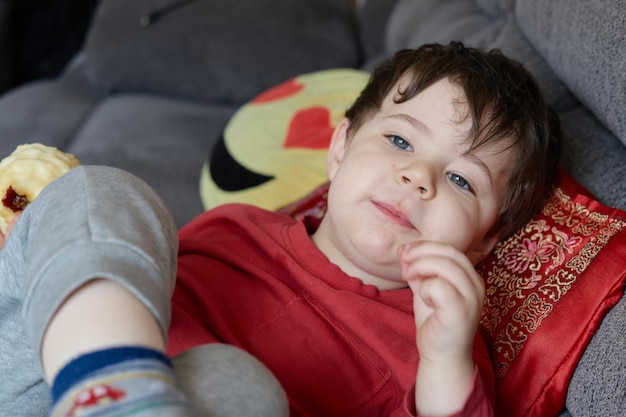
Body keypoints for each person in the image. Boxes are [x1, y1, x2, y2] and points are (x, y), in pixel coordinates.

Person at [0, 42, 561, 417]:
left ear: (487, 240)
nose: (419, 177)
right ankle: (109, 385)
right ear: (339, 150)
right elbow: (118, 266)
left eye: (462, 180)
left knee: (235, 384)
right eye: (399, 141)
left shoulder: (442, 346)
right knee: (103, 191)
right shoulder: (240, 227)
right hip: (44, 381)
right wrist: (51, 242)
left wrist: (446, 361)